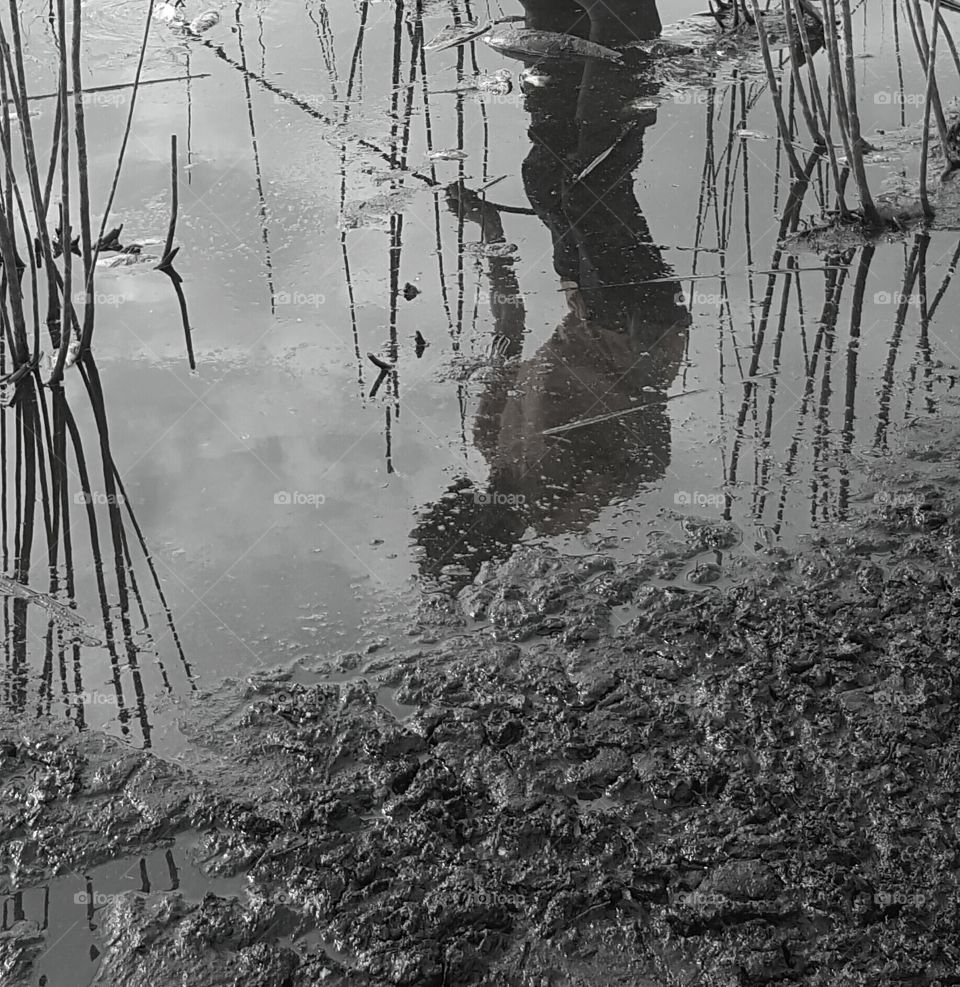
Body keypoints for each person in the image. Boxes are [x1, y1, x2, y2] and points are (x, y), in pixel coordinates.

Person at [412, 0, 690, 586]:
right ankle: (623, 28)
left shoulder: (491, 438)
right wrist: (628, 405)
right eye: (458, 512)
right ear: (486, 537)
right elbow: (650, 464)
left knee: (544, 181)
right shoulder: (561, 511)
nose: (459, 496)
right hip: (640, 329)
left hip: (584, 301)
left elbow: (507, 334)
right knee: (588, 196)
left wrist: (489, 227)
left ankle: (561, 20)